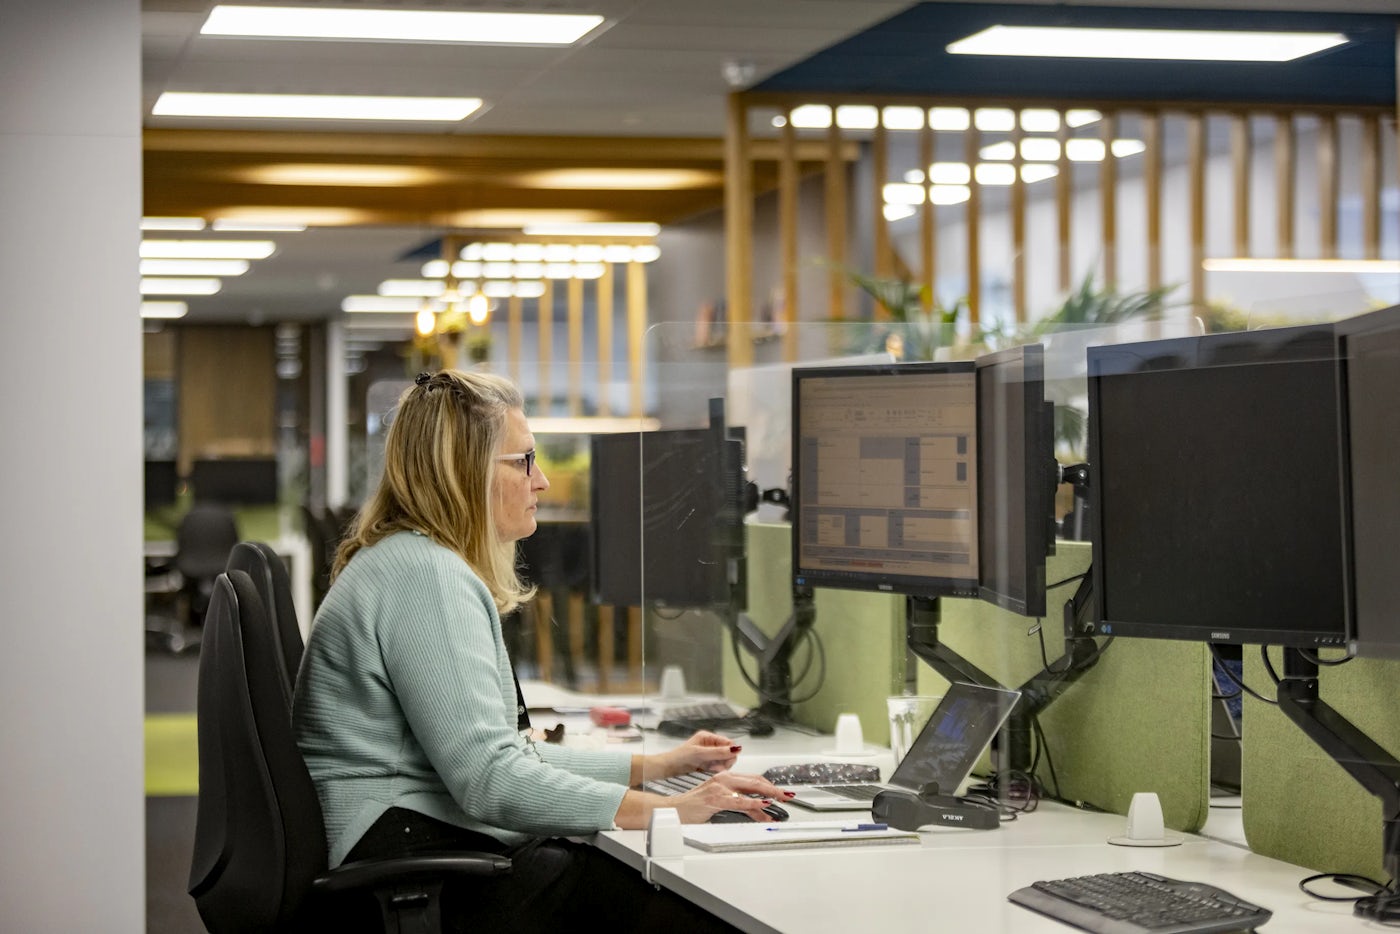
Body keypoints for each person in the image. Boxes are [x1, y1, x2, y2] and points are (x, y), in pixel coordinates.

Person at [293, 369, 790, 933]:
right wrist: (671, 809)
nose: (544, 481)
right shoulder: (423, 577)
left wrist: (655, 769)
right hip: (403, 866)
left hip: (404, 842)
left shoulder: (409, 561)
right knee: (687, 908)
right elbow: (490, 779)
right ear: (466, 472)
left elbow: (502, 756)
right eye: (524, 461)